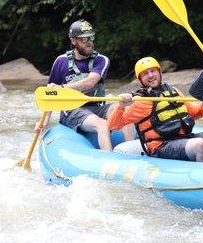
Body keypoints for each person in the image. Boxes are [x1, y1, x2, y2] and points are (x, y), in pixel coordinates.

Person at [36, 19, 133, 151]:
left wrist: (62, 88)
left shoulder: (101, 60)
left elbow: (90, 82)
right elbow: (51, 93)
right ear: (73, 41)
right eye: (84, 39)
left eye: (91, 38)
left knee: (125, 109)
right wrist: (45, 121)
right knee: (103, 124)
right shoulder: (61, 61)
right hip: (71, 111)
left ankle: (131, 152)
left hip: (97, 108)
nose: (89, 42)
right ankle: (109, 161)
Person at [107, 57, 203, 161]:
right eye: (145, 73)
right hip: (160, 146)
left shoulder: (173, 91)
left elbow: (194, 113)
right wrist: (121, 107)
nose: (150, 75)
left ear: (160, 73)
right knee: (199, 144)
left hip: (185, 137)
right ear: (140, 79)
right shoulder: (140, 101)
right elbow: (113, 125)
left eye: (153, 71)